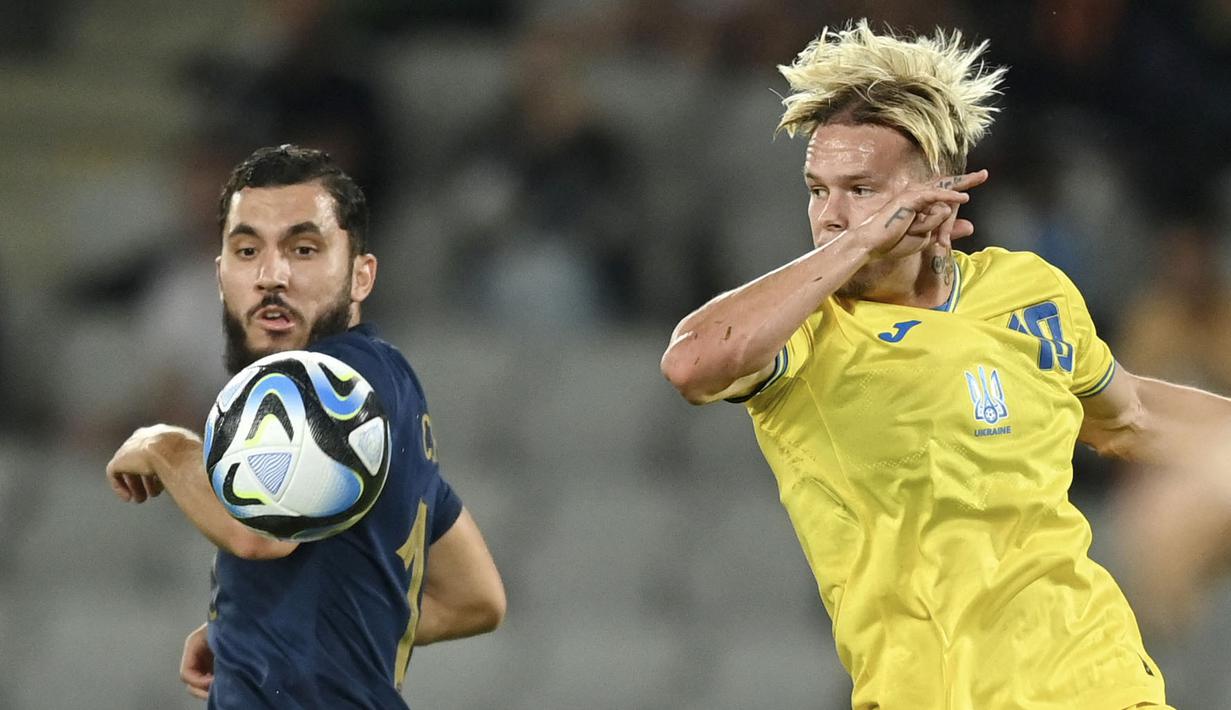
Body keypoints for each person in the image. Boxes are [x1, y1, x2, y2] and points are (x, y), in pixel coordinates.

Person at [661, 21, 1225, 709]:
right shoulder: (804, 325)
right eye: (817, 190)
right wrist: (858, 241)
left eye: (862, 190)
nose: (832, 214)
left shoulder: (1028, 289)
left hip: (1096, 680)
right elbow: (692, 364)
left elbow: (1129, 414)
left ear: (937, 190)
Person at [105, 145, 506, 707]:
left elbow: (259, 530)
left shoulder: (333, 384)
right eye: (247, 250)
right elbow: (475, 598)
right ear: (220, 274)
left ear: (362, 275)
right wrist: (256, 634)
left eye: (304, 248)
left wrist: (163, 444)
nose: (272, 275)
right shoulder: (385, 395)